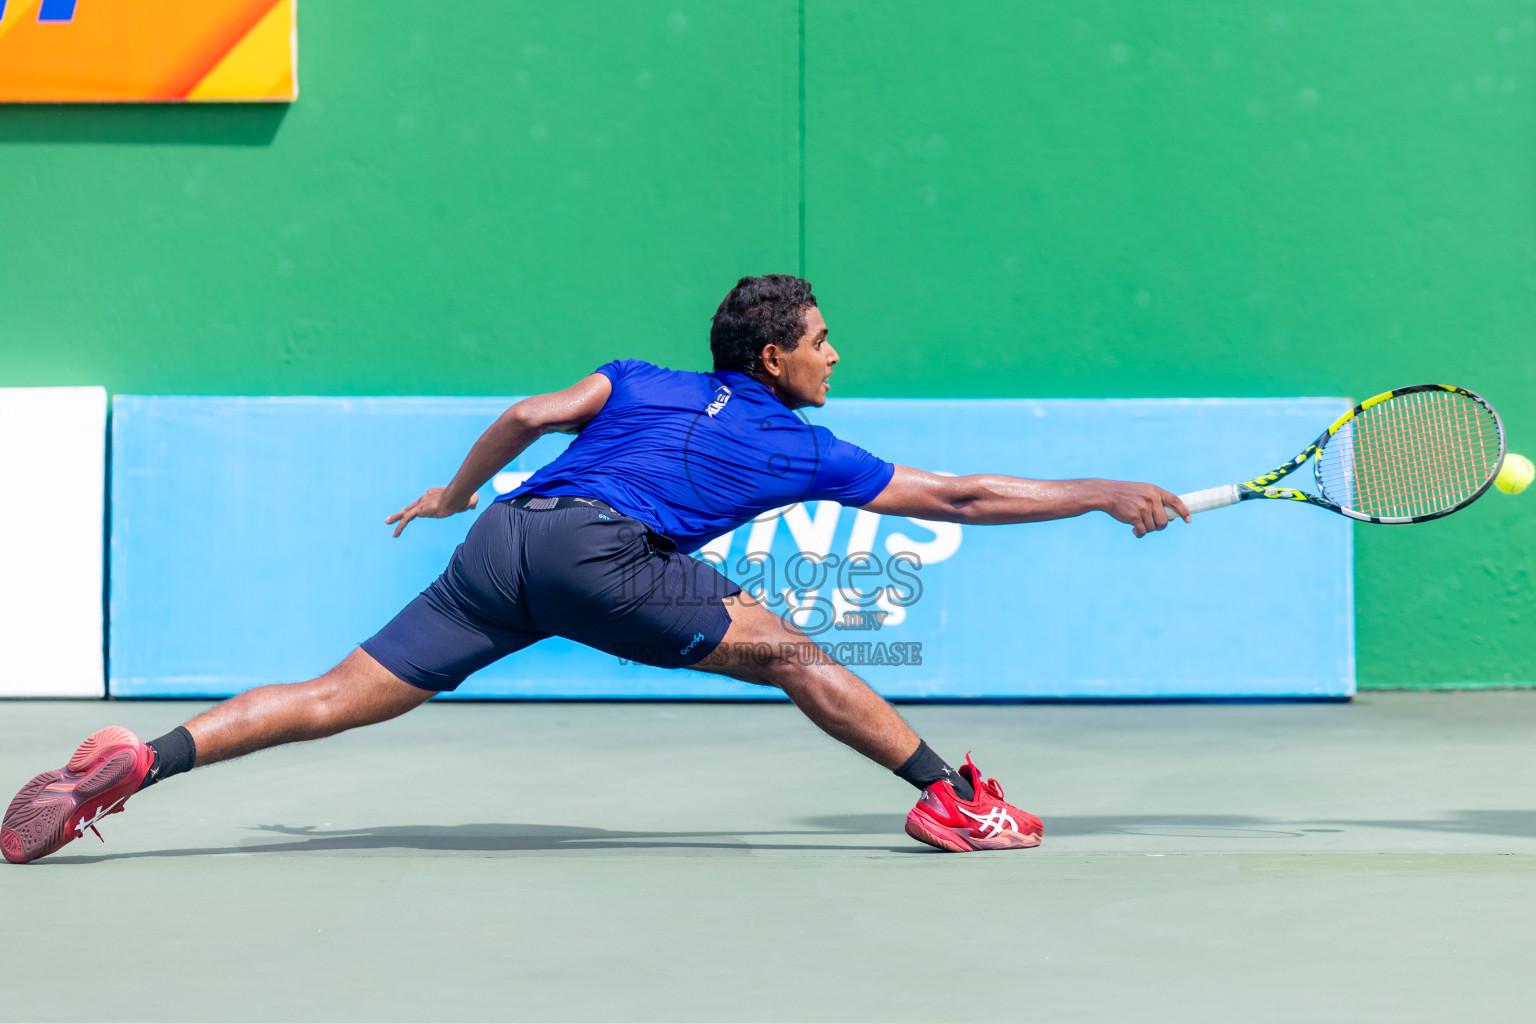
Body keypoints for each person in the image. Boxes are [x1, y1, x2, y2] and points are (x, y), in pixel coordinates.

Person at [1, 275, 1189, 864]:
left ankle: (136, 764)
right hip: (603, 551)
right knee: (800, 654)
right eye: (823, 338)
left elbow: (526, 411)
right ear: (775, 357)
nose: (837, 353)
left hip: (507, 538)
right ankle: (956, 797)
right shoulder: (800, 438)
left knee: (329, 698)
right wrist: (1105, 489)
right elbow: (968, 498)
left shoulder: (636, 376)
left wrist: (460, 491)